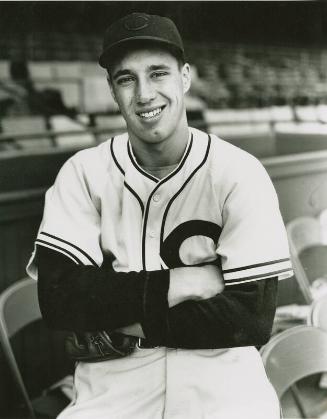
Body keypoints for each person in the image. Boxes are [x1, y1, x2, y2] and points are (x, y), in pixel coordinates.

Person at [27, 12, 293, 419]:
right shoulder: (82, 173)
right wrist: (184, 281)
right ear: (112, 91)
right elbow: (61, 299)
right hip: (113, 385)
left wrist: (112, 318)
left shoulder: (240, 172)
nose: (144, 93)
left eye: (158, 73)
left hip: (223, 381)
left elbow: (248, 319)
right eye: (126, 78)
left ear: (185, 77)